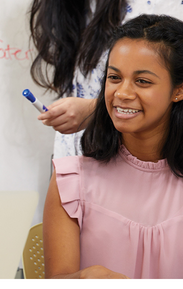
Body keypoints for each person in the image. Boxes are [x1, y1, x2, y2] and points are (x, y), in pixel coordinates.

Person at [43, 14, 183, 279]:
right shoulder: (71, 182)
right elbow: (57, 280)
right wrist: (82, 279)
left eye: (142, 81)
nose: (122, 93)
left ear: (179, 90)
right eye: (115, 78)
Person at [29, 0, 183, 159]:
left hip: (139, 162)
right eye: (114, 77)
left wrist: (94, 110)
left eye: (141, 80)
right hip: (80, 156)